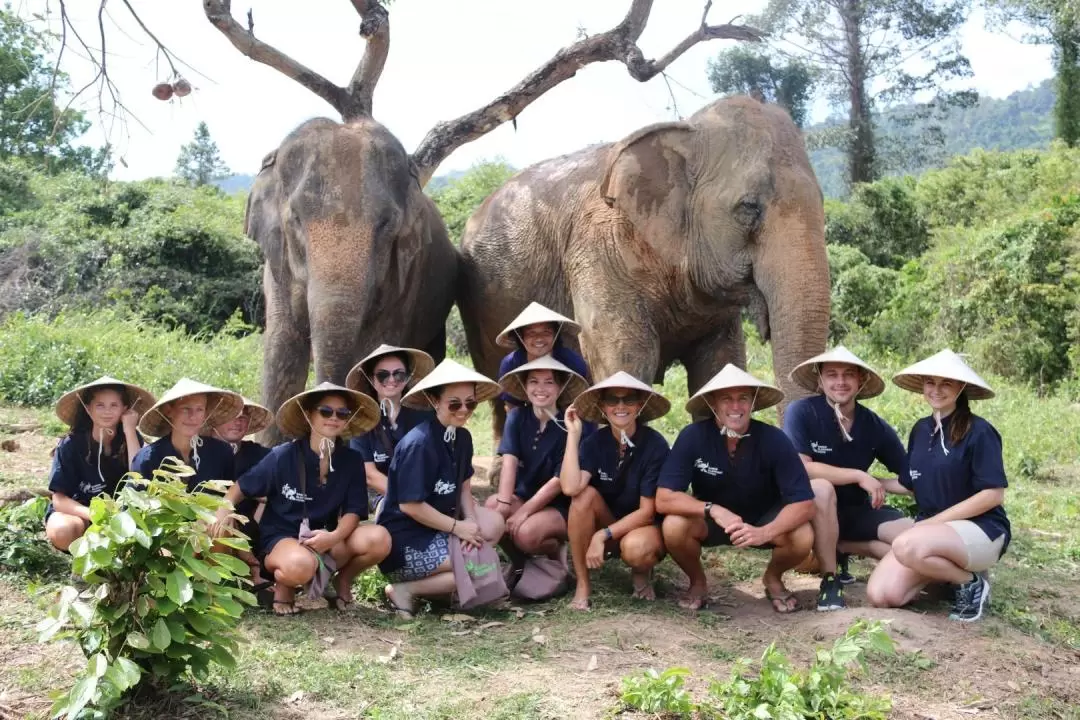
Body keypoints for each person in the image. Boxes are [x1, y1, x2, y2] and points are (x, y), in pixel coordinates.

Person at [211, 382, 390, 616]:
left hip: (327, 538)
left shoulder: (351, 459)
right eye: (326, 411)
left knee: (380, 538)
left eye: (342, 413)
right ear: (309, 415)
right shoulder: (282, 456)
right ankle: (285, 584)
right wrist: (224, 509)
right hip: (283, 538)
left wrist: (333, 536)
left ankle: (342, 581)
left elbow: (354, 511)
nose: (333, 418)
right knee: (299, 565)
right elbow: (241, 487)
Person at [656, 364, 815, 613]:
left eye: (743, 398)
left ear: (753, 402)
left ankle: (773, 577)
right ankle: (697, 581)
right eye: (726, 399)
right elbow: (664, 498)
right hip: (712, 522)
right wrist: (713, 509)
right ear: (712, 404)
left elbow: (805, 503)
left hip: (763, 520)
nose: (735, 407)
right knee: (674, 526)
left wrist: (764, 532)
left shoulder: (774, 439)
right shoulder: (693, 436)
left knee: (802, 535)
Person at [867, 349, 1010, 622]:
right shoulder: (921, 430)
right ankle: (946, 577)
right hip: (931, 535)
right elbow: (910, 483)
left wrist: (935, 523)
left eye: (946, 383)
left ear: (961, 387)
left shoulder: (979, 431)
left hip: (982, 529)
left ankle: (970, 583)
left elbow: (993, 494)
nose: (936, 390)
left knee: (906, 544)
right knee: (882, 595)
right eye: (930, 382)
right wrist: (869, 480)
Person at [784, 346, 913, 611]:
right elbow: (802, 468)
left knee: (913, 539)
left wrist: (873, 481)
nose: (840, 382)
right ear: (820, 379)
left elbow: (910, 479)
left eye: (848, 375)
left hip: (855, 512)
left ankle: (843, 546)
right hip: (810, 512)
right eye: (832, 374)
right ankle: (830, 580)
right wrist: (857, 475)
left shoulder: (874, 426)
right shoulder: (802, 412)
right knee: (822, 489)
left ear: (861, 380)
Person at [378, 359, 506, 618]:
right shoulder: (419, 444)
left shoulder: (463, 437)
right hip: (407, 540)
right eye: (454, 403)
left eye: (470, 403)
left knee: (488, 535)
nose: (464, 410)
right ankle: (404, 590)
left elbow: (464, 488)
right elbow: (409, 505)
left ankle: (440, 590)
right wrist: (459, 528)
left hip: (441, 529)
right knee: (477, 565)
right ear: (435, 401)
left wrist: (471, 523)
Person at [560, 371, 670, 611]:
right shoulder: (594, 443)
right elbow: (569, 487)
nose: (620, 406)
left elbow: (647, 512)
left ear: (639, 406)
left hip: (642, 527)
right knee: (582, 497)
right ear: (602, 407)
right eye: (612, 400)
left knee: (636, 549)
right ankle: (583, 585)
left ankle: (641, 573)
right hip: (609, 521)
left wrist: (602, 535)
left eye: (629, 399)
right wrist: (573, 435)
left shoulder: (655, 445)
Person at [486, 355, 589, 564]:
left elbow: (559, 480)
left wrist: (525, 511)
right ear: (524, 386)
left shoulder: (571, 425)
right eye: (533, 381)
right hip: (524, 494)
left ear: (560, 387)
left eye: (549, 382)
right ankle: (518, 562)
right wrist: (504, 505)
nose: (540, 388)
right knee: (491, 509)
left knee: (526, 534)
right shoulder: (516, 418)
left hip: (560, 505)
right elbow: (509, 462)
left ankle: (555, 552)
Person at [45, 376, 154, 551]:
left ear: (125, 409)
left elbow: (138, 476)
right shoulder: (71, 444)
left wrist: (129, 430)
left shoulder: (130, 439)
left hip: (121, 513)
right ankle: (86, 546)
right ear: (88, 409)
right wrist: (93, 514)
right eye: (100, 405)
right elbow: (59, 499)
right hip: (79, 512)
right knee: (63, 531)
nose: (107, 411)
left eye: (114, 405)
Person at [345, 344, 435, 516]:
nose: (392, 380)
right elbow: (370, 475)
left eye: (399, 374)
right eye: (383, 375)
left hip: (424, 491)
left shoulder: (424, 415)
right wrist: (408, 497)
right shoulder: (362, 421)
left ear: (408, 376)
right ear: (371, 379)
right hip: (381, 494)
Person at [205, 396, 276, 591]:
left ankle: (257, 570)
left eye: (243, 418)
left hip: (251, 527)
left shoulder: (260, 455)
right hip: (209, 524)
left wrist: (250, 495)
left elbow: (281, 486)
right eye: (232, 416)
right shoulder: (200, 450)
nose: (238, 421)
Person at [494, 302, 590, 441]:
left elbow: (579, 404)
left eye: (546, 332)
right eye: (531, 333)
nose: (539, 338)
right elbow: (512, 407)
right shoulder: (510, 364)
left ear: (556, 335)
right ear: (520, 337)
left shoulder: (572, 363)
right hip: (530, 418)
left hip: (567, 416)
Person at [132, 378, 244, 492]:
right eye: (186, 409)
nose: (192, 416)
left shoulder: (221, 452)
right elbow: (134, 503)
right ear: (169, 411)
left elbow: (228, 500)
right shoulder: (148, 458)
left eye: (199, 409)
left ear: (205, 414)